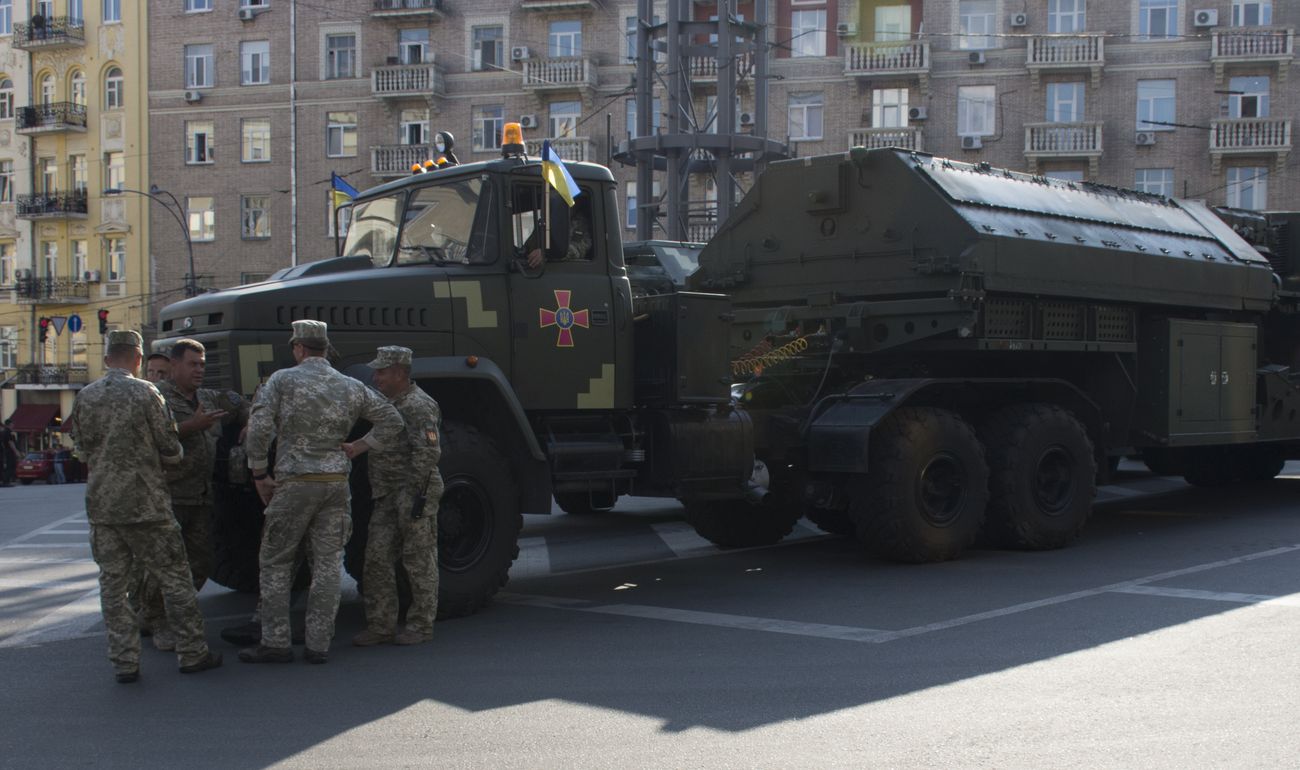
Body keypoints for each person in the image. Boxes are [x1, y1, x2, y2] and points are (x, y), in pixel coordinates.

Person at [239, 320, 403, 665]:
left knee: (276, 561)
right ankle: (318, 643)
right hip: (334, 484)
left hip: (295, 482)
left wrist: (258, 473)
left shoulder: (283, 380)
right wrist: (359, 446)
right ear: (325, 348)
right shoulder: (350, 386)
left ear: (298, 348)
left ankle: (276, 642)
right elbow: (392, 420)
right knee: (328, 563)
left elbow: (259, 426)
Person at [64, 329, 222, 683]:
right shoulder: (147, 392)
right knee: (176, 578)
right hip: (147, 503)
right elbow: (170, 448)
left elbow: (81, 450)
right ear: (138, 359)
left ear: (107, 359)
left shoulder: (86, 396)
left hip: (104, 506)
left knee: (113, 585)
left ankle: (125, 662)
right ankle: (192, 652)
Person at [139, 338, 248, 652]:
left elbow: (240, 403)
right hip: (167, 496)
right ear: (174, 366)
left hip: (201, 497)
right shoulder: (157, 398)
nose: (199, 370)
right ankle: (159, 621)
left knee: (201, 563)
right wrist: (192, 425)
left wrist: (250, 421)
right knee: (164, 566)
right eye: (192, 364)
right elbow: (151, 439)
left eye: (202, 364)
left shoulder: (210, 397)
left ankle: (165, 614)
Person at [343, 346, 443, 647]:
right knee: (376, 559)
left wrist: (414, 498)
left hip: (412, 492)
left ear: (400, 372)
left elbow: (428, 454)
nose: (376, 377)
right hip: (386, 493)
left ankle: (420, 625)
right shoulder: (386, 403)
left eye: (382, 371)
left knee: (418, 560)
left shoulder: (418, 405)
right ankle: (381, 625)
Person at [525, 192, 592, 268]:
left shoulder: (581, 224)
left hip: (568, 271)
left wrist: (546, 254)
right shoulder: (548, 221)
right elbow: (529, 246)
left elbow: (578, 249)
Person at [0, 419, 17, 487]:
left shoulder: (3, 432)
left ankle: (5, 480)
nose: (13, 425)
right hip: (9, 451)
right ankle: (6, 481)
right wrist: (16, 452)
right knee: (11, 466)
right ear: (9, 424)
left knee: (7, 466)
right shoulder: (8, 432)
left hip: (5, 451)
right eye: (12, 423)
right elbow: (10, 442)